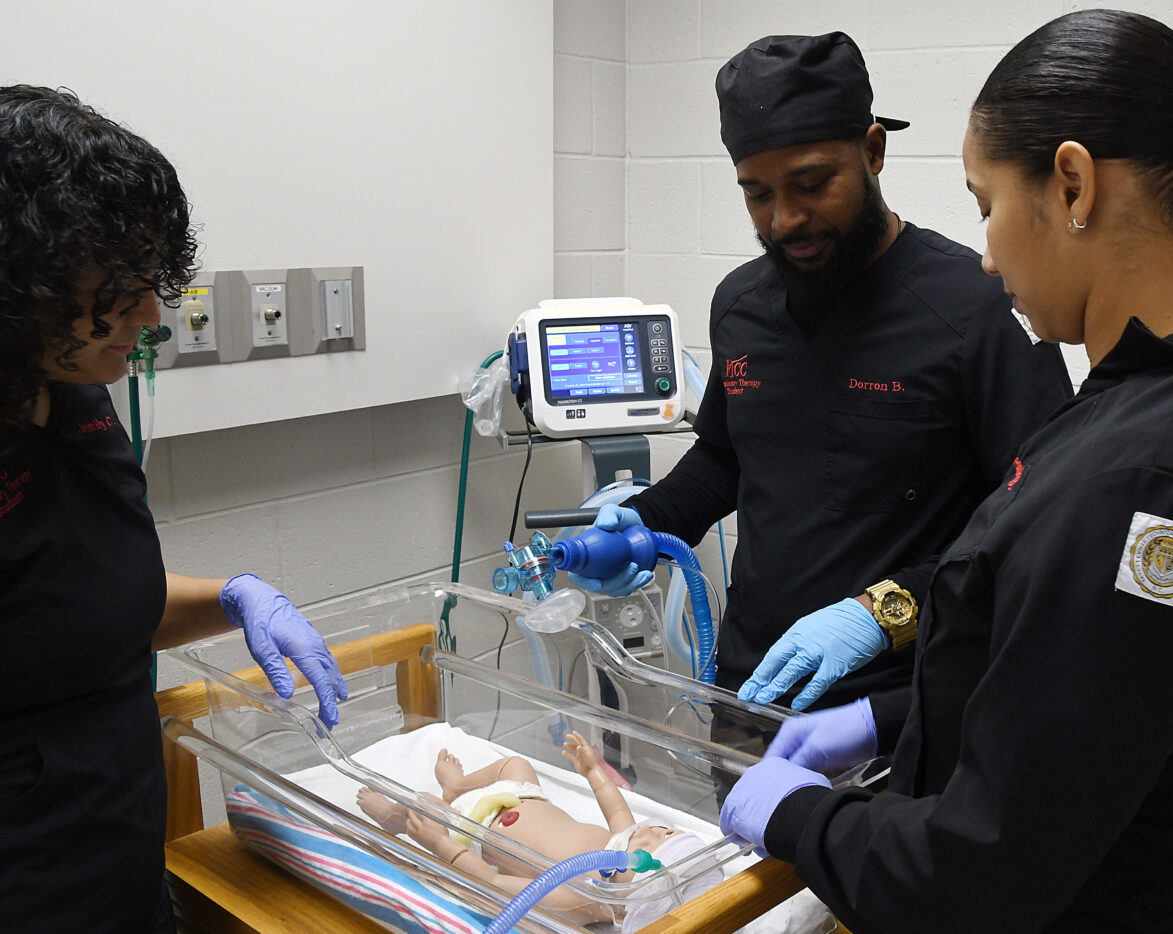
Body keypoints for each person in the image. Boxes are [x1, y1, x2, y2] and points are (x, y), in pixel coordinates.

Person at [717, 10, 1173, 932]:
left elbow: (980, 875)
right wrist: (892, 718)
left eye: (986, 204)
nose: (990, 254)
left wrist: (799, 816)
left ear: (1073, 183)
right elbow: (1076, 696)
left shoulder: (1151, 479)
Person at [572, 32, 1071, 716]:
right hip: (751, 691)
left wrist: (880, 615)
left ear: (872, 151)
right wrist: (642, 522)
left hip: (901, 712)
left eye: (812, 184)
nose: (785, 220)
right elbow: (726, 457)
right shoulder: (742, 305)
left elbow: (1036, 524)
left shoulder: (980, 307)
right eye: (757, 194)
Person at [0, 85, 349, 932]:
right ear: (22, 282)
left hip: (120, 874)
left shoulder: (74, 394)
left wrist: (230, 595)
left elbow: (80, 605)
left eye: (150, 282)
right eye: (118, 290)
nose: (151, 317)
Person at [356, 731, 722, 930]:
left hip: (477, 830)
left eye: (650, 850)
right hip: (522, 799)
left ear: (625, 910)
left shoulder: (580, 896)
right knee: (516, 763)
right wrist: (595, 772)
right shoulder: (621, 842)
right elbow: (615, 805)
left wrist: (441, 844)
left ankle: (392, 816)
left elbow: (494, 883)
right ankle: (460, 786)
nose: (648, 834)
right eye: (664, 832)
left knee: (421, 803)